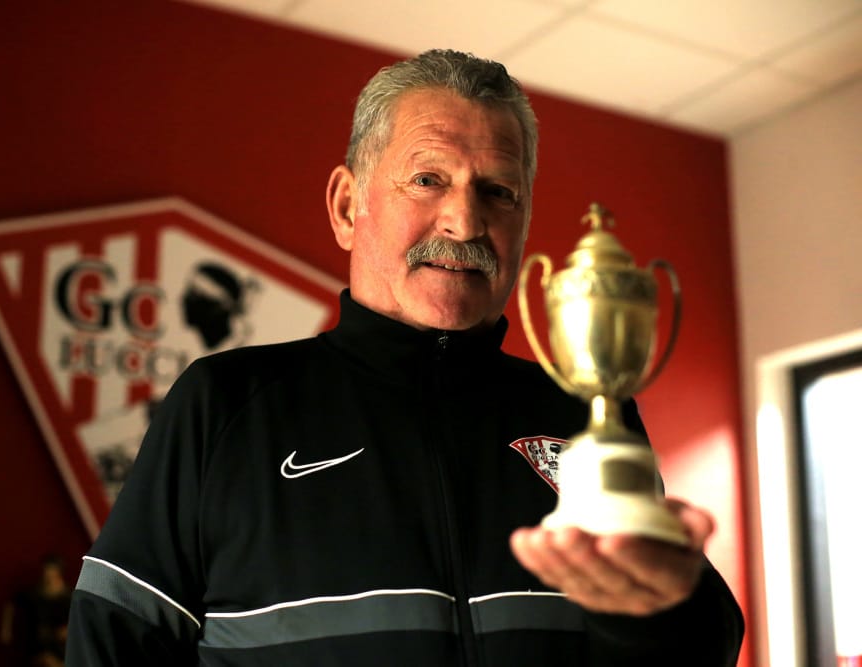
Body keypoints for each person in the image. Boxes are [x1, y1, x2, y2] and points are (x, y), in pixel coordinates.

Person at [66, 49, 744, 666]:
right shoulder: (223, 405)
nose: (465, 222)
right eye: (427, 179)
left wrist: (655, 612)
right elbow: (113, 646)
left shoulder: (588, 413)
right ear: (345, 205)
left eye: (498, 192)